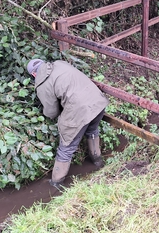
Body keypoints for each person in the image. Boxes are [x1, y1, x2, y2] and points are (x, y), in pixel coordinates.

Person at [26, 59, 109, 187]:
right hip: (98, 102)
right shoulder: (59, 63)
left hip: (80, 109)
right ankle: (98, 163)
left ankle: (56, 183)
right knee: (92, 131)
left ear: (34, 74)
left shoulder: (42, 83)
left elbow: (51, 112)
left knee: (66, 147)